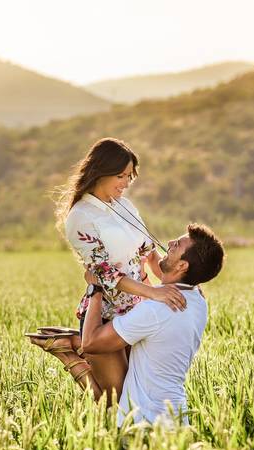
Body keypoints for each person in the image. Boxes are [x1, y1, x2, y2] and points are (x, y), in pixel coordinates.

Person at [25, 137, 186, 401]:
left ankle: (71, 346)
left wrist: (180, 286)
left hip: (139, 313)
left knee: (137, 393)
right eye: (120, 176)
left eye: (129, 177)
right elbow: (106, 274)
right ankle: (69, 355)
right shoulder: (80, 216)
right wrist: (154, 293)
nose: (125, 183)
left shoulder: (125, 205)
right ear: (100, 171)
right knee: (117, 398)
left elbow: (149, 254)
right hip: (105, 316)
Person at [34, 223, 225, 427]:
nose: (169, 243)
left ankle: (66, 353)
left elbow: (91, 343)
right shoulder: (197, 300)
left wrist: (96, 289)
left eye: (176, 245)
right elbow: (159, 321)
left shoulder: (155, 310)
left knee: (110, 400)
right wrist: (144, 274)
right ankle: (68, 345)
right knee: (112, 392)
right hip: (175, 421)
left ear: (182, 266)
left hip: (143, 425)